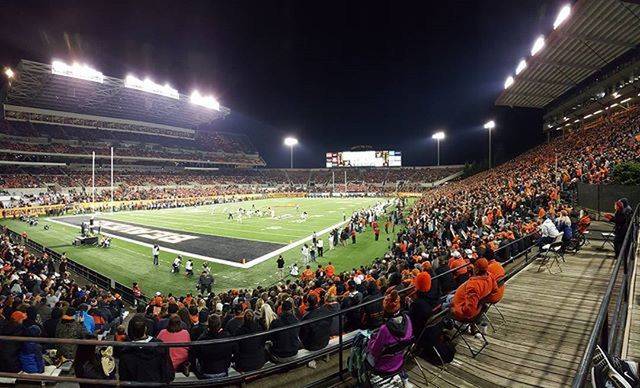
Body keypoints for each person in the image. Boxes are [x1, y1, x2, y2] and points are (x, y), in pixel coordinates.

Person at [366, 289, 413, 375]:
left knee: (362, 349)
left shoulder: (384, 329)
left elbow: (374, 352)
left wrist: (371, 341)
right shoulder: (407, 319)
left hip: (384, 366)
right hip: (399, 360)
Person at [119, 314, 175, 383]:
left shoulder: (125, 352)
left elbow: (123, 379)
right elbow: (168, 374)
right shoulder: (160, 346)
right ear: (145, 328)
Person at [193, 314, 237, 379]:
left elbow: (196, 353)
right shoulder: (227, 336)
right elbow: (235, 350)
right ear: (220, 325)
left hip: (206, 371)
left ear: (208, 325)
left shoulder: (202, 338)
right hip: (223, 370)